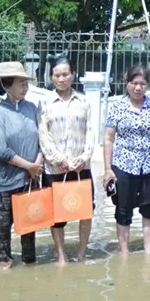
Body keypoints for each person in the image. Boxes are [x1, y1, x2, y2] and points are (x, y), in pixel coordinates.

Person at [103, 67, 150, 256]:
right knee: (123, 209)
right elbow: (108, 139)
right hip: (123, 165)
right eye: (134, 83)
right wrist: (107, 169)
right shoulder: (117, 107)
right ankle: (124, 252)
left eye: (142, 84)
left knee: (149, 208)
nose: (138, 88)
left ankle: (148, 252)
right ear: (127, 84)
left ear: (148, 85)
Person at [38, 58, 95, 264]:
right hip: (55, 169)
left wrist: (84, 157)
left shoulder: (84, 102)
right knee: (57, 215)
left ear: (72, 75)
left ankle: (81, 254)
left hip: (81, 168)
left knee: (86, 211)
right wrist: (58, 160)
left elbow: (90, 132)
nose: (61, 79)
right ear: (51, 77)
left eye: (65, 74)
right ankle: (61, 255)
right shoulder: (44, 103)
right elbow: (43, 135)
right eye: (57, 75)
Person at [0, 62, 44, 269]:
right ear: (6, 85)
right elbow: (0, 149)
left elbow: (43, 140)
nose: (25, 87)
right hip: (5, 180)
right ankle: (5, 262)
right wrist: (28, 165)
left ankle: (30, 263)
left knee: (30, 225)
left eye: (26, 83)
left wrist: (37, 164)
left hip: (30, 178)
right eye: (21, 83)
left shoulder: (31, 109)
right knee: (3, 227)